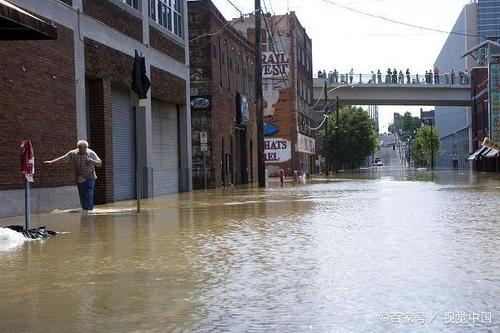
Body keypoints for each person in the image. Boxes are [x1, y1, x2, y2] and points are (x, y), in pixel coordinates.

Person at [44, 140, 102, 212]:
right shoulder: (73, 153)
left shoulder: (91, 153)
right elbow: (62, 159)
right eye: (82, 150)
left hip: (90, 176)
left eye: (85, 149)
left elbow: (99, 163)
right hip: (80, 177)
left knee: (89, 193)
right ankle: (85, 209)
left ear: (87, 147)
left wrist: (92, 161)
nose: (83, 151)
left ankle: (89, 211)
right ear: (78, 148)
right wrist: (51, 162)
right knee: (82, 195)